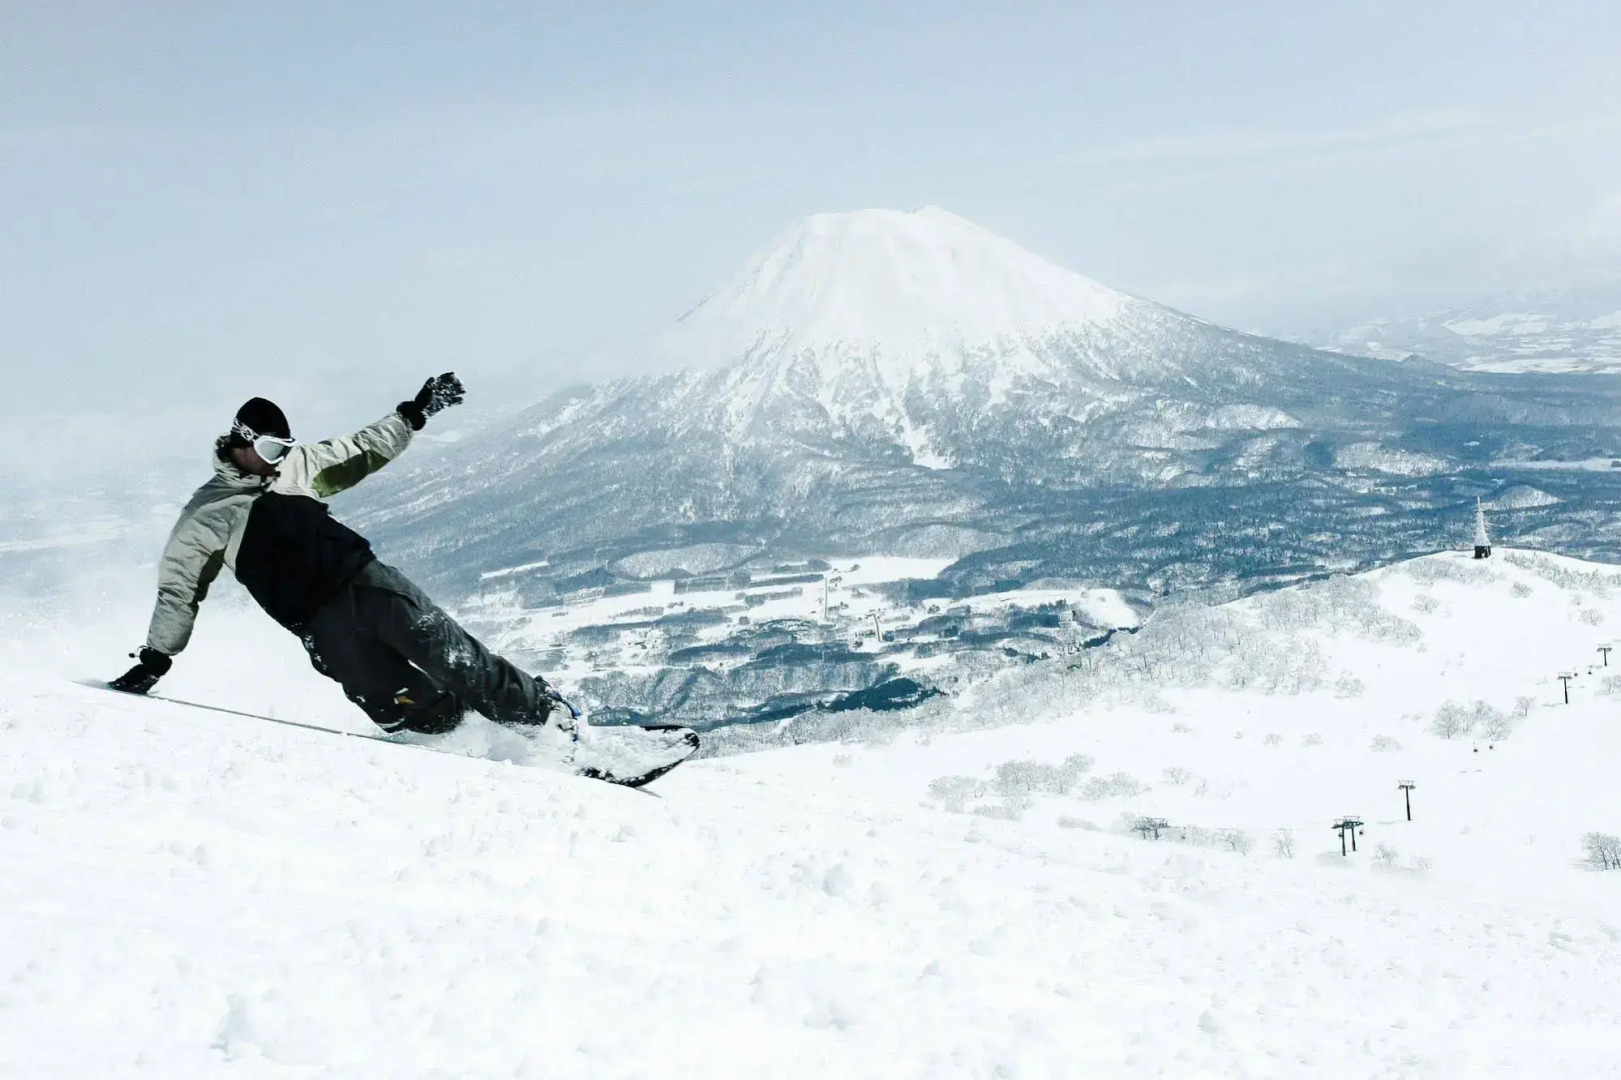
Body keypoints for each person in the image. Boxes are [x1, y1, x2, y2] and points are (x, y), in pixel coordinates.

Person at [110, 375, 575, 742]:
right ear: (242, 441)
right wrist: (156, 657)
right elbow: (179, 589)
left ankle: (553, 724)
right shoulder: (206, 514)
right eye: (272, 450)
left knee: (452, 658)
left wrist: (412, 415)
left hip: (367, 585)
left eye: (286, 450)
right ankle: (469, 743)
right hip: (319, 625)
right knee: (395, 701)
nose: (280, 460)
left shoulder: (295, 467)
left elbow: (361, 448)